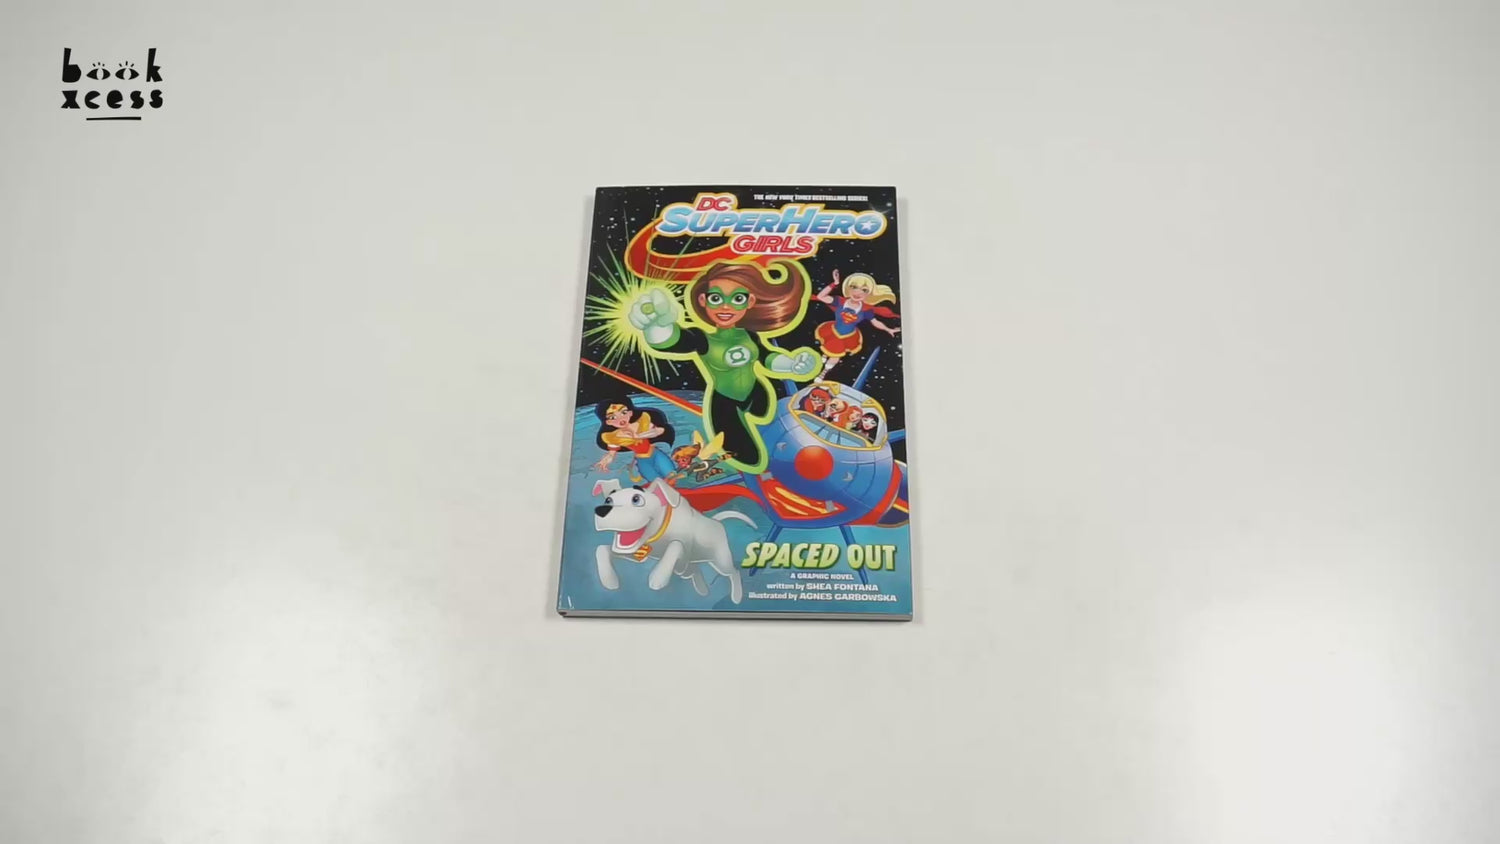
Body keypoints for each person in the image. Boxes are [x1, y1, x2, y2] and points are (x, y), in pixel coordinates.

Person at [629, 261, 821, 472]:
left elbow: (765, 356)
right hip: (726, 402)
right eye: (716, 298)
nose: (726, 306)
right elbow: (679, 340)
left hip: (758, 394)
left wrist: (791, 364)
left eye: (737, 299)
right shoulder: (704, 339)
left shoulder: (748, 335)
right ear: (703, 300)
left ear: (750, 301)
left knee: (778, 431)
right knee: (745, 455)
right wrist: (656, 327)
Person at [812, 270, 900, 377]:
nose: (858, 293)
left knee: (836, 354)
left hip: (847, 337)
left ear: (869, 294)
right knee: (829, 345)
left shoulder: (866, 310)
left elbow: (875, 322)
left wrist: (888, 329)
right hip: (833, 330)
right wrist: (834, 284)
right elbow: (820, 297)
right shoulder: (839, 301)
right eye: (854, 287)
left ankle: (823, 373)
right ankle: (825, 354)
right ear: (848, 289)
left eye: (864, 290)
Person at [590, 397, 677, 482]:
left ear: (630, 413)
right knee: (655, 480)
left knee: (672, 475)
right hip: (642, 460)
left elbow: (659, 431)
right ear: (608, 422)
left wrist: (638, 436)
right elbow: (612, 453)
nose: (620, 419)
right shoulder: (614, 436)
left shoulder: (641, 422)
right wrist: (606, 460)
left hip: (656, 454)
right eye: (612, 417)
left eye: (623, 412)